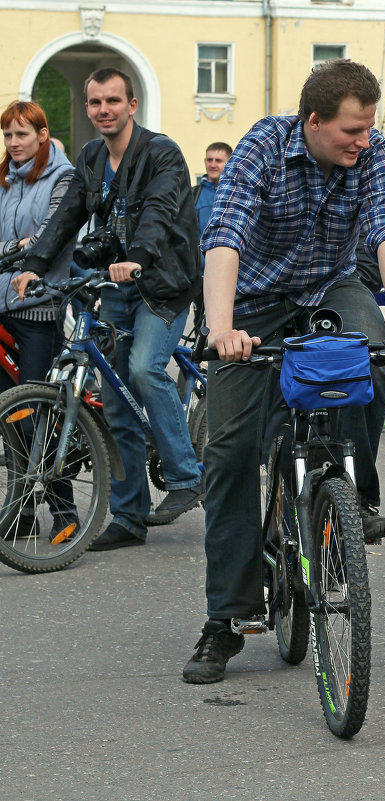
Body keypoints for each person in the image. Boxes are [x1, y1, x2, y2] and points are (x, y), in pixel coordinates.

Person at [182, 59, 385, 684]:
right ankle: (228, 618)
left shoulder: (370, 154)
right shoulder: (262, 149)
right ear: (314, 121)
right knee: (232, 452)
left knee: (373, 362)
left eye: (370, 127)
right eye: (351, 129)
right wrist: (220, 330)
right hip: (252, 302)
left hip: (328, 289)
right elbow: (225, 239)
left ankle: (351, 494)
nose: (364, 139)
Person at [16, 67, 204, 549]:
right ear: (88, 108)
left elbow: (160, 212)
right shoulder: (92, 155)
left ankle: (186, 477)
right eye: (96, 103)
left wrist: (137, 258)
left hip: (162, 285)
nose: (104, 110)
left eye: (113, 102)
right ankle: (128, 516)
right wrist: (35, 263)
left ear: (132, 105)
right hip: (116, 288)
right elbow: (68, 214)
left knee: (144, 368)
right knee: (116, 406)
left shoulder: (162, 152)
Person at [1, 101, 75, 395]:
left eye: (22, 134)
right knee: (8, 414)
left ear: (42, 134)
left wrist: (23, 247)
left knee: (32, 411)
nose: (13, 142)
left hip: (38, 307)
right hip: (3, 303)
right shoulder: (4, 177)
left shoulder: (64, 177)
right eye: (7, 135)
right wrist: (14, 247)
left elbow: (47, 239)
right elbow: (26, 244)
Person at [193, 141, 231, 231]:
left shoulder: (238, 193)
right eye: (209, 160)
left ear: (229, 162)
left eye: (218, 161)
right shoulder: (193, 194)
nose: (213, 165)